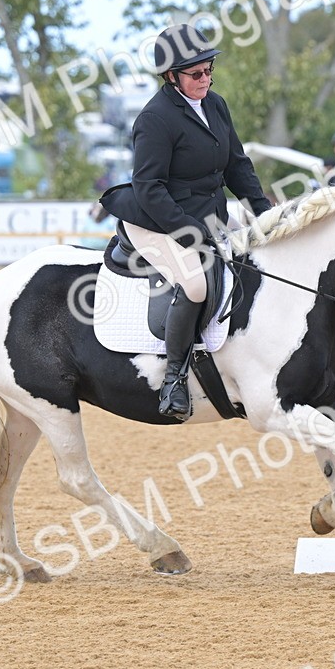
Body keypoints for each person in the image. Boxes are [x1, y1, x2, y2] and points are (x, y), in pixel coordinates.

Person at [100, 24, 272, 421]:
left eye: (209, 70)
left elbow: (237, 166)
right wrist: (190, 234)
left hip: (207, 214)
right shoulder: (154, 119)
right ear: (171, 76)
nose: (206, 79)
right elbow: (148, 187)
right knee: (195, 284)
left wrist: (265, 215)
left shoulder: (216, 105)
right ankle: (173, 379)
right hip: (155, 218)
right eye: (196, 74)